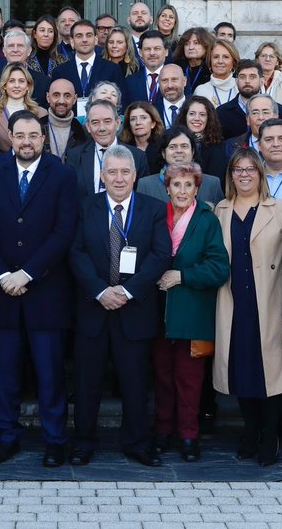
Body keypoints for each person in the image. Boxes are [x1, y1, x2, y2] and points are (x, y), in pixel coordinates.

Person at [0, 111, 80, 466]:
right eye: (20, 135)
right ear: (12, 138)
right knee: (5, 371)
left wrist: (28, 273)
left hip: (46, 291)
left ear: (43, 138)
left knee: (50, 373)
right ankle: (7, 436)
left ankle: (54, 439)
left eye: (33, 135)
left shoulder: (62, 175)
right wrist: (4, 275)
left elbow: (64, 233)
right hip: (2, 290)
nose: (27, 141)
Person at [68, 146, 170, 467]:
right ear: (102, 175)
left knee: (135, 382)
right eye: (112, 171)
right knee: (87, 382)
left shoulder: (153, 208)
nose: (119, 178)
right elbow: (75, 252)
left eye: (125, 171)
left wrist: (126, 291)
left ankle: (137, 443)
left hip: (134, 309)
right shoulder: (85, 207)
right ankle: (84, 441)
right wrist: (100, 291)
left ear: (135, 175)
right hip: (93, 308)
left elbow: (160, 255)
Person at [213, 147, 282, 467]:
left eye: (250, 170)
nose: (244, 175)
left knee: (270, 373)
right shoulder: (220, 209)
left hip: (270, 300)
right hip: (233, 301)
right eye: (238, 170)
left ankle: (271, 434)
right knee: (241, 369)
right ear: (230, 175)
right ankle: (250, 430)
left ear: (260, 174)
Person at [152, 161, 229, 462]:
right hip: (159, 312)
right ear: (167, 188)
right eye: (176, 184)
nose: (182, 190)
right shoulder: (158, 216)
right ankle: (162, 431)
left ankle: (188, 435)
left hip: (193, 312)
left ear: (197, 188)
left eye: (188, 185)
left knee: (189, 379)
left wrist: (183, 276)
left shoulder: (207, 220)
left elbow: (219, 267)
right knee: (161, 376)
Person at [65, 99, 149, 198]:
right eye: (95, 122)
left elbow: (142, 199)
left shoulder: (137, 157)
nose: (102, 128)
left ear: (118, 123)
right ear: (88, 126)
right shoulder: (74, 156)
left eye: (107, 121)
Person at [137, 127, 224, 207]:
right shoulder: (146, 185)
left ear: (193, 152)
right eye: (172, 147)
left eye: (184, 146)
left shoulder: (212, 184)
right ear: (163, 153)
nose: (179, 151)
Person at [51, 20, 119, 114]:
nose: (84, 40)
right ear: (72, 41)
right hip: (70, 124)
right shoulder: (59, 72)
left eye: (89, 35)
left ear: (95, 40)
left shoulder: (112, 69)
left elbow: (120, 102)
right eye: (79, 36)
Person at [217, 59, 282, 141]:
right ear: (236, 81)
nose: (247, 81)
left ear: (262, 81)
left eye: (252, 77)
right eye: (242, 77)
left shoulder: (279, 110)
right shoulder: (222, 113)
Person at [0, 28, 49, 111]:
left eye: (20, 46)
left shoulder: (44, 82)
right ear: (4, 51)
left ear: (29, 51)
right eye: (11, 46)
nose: (15, 50)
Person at [0, 63, 47, 152]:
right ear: (4, 85)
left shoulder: (41, 113)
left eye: (21, 81)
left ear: (28, 86)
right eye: (11, 81)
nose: (17, 85)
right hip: (1, 163)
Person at [179, 95, 228, 184]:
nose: (196, 118)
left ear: (209, 118)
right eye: (192, 114)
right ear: (184, 116)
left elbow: (215, 180)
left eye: (202, 115)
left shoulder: (216, 146)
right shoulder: (173, 141)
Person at [122, 31, 168, 114]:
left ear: (166, 51)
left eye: (157, 48)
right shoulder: (130, 82)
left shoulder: (178, 78)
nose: (152, 53)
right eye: (147, 49)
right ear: (140, 53)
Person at [42, 78, 89, 157]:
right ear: (48, 97)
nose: (61, 101)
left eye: (67, 96)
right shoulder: (36, 128)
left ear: (74, 99)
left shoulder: (84, 132)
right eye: (56, 95)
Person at [193, 39, 240, 108]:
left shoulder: (241, 87)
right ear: (210, 61)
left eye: (226, 57)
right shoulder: (201, 90)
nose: (220, 61)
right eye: (216, 57)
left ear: (233, 62)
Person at [119, 101, 164, 173]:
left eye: (143, 118)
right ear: (129, 125)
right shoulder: (122, 147)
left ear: (153, 123)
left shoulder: (162, 146)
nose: (138, 122)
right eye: (133, 119)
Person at [254, 42, 282, 116]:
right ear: (257, 60)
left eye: (272, 56)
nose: (267, 59)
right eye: (263, 56)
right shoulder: (251, 79)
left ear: (277, 61)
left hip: (277, 125)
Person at [173, 27, 214, 93]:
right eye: (187, 44)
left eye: (196, 43)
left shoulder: (212, 69)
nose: (191, 47)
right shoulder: (176, 67)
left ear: (206, 45)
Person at [156, 64, 188, 130]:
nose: (169, 85)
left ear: (184, 81)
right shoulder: (152, 111)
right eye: (164, 80)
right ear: (159, 83)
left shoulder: (197, 108)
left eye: (174, 79)